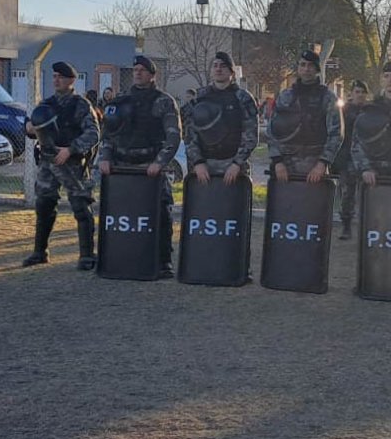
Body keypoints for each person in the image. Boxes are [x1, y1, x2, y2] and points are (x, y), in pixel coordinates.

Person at [99, 56, 181, 278]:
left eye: (143, 70)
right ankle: (117, 255)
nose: (137, 73)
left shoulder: (164, 101)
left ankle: (164, 261)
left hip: (151, 167)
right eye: (135, 70)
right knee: (120, 214)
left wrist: (159, 163)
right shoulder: (121, 100)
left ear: (152, 75)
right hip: (122, 167)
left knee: (162, 213)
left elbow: (173, 137)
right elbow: (108, 133)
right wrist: (105, 157)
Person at [23, 61, 100, 270]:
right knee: (44, 205)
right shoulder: (46, 104)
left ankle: (86, 255)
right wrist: (29, 127)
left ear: (71, 80)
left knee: (81, 206)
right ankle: (40, 252)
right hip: (48, 162)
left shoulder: (81, 105)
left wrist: (71, 149)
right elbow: (33, 125)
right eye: (54, 76)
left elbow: (93, 133)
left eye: (61, 77)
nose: (56, 80)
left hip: (72, 163)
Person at [182, 51, 258, 185]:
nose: (218, 69)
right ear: (211, 71)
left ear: (231, 72)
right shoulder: (199, 98)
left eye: (223, 66)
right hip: (204, 168)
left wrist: (237, 164)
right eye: (215, 65)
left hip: (234, 168)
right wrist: (198, 162)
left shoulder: (243, 98)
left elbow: (250, 136)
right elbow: (189, 135)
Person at [267, 50, 342, 184]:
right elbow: (272, 131)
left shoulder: (328, 98)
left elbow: (336, 134)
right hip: (285, 166)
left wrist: (322, 164)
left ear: (317, 69)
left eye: (310, 66)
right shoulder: (285, 96)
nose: (306, 69)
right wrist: (277, 162)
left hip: (315, 165)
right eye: (303, 65)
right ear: (298, 68)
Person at [333, 80, 369, 240]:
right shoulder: (344, 111)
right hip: (347, 158)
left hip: (367, 159)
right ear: (351, 93)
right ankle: (346, 226)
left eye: (362, 92)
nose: (360, 95)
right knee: (347, 194)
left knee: (367, 195)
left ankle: (366, 227)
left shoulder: (371, 111)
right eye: (357, 91)